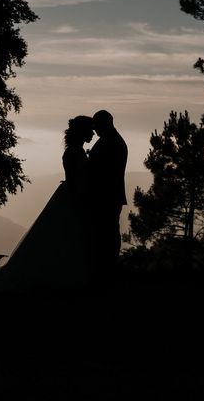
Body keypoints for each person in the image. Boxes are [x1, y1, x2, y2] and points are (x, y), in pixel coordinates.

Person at [0, 116, 95, 292]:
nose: (93, 133)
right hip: (73, 195)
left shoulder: (75, 150)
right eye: (90, 130)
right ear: (82, 132)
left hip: (69, 194)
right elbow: (76, 179)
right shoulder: (75, 152)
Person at [86, 110, 128, 280]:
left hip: (106, 197)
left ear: (105, 123)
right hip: (109, 196)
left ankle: (106, 270)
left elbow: (102, 171)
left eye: (96, 125)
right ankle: (107, 268)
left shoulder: (111, 142)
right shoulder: (112, 140)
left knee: (107, 234)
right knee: (108, 233)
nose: (94, 130)